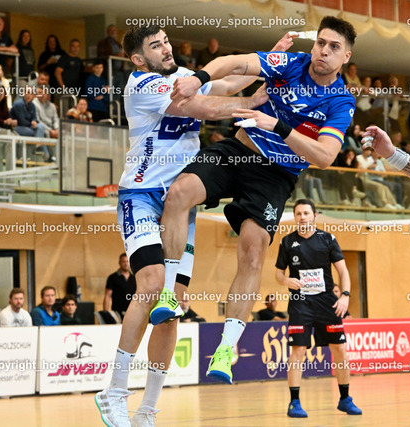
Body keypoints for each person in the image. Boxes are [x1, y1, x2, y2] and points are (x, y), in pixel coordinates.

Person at [95, 25, 292, 427]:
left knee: (173, 308)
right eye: (156, 46)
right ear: (138, 58)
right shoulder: (143, 84)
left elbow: (225, 83)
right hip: (142, 196)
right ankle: (114, 391)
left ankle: (147, 409)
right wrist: (251, 105)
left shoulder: (181, 75)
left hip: (180, 204)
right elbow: (200, 108)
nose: (166, 48)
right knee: (152, 284)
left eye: (166, 41)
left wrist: (266, 62)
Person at [163, 16, 356, 385]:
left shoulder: (341, 102)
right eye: (321, 42)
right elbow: (234, 62)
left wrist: (279, 127)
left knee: (253, 250)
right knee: (179, 192)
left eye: (334, 47)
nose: (323, 51)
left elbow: (325, 155)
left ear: (345, 57)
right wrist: (198, 79)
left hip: (276, 175)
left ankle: (226, 348)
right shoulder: (292, 63)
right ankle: (171, 291)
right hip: (239, 149)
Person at [275, 199, 361, 417]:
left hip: (326, 303)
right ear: (295, 217)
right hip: (300, 303)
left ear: (314, 215)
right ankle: (294, 403)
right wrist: (285, 281)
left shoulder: (328, 239)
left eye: (306, 213)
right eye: (298, 214)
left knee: (339, 349)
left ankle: (345, 399)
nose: (302, 217)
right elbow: (278, 273)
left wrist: (345, 296)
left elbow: (343, 271)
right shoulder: (287, 242)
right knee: (298, 351)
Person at [103, 253, 137, 319]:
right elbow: (107, 295)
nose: (126, 264)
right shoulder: (112, 277)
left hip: (132, 312)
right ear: (119, 263)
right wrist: (105, 313)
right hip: (117, 313)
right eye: (123, 261)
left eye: (127, 261)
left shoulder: (134, 278)